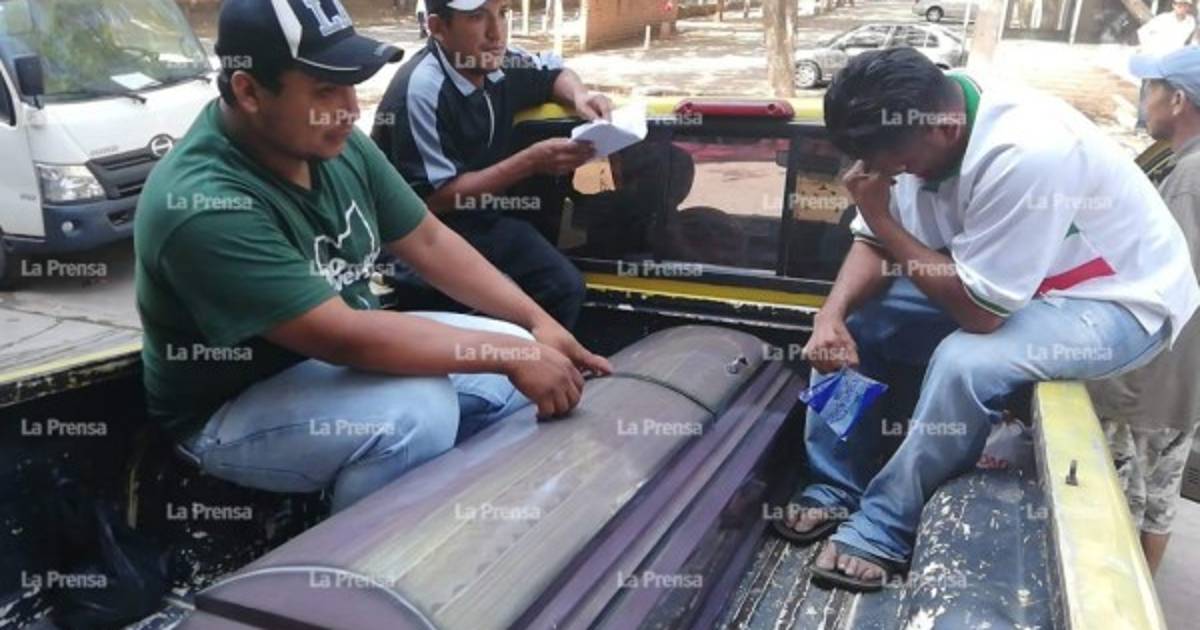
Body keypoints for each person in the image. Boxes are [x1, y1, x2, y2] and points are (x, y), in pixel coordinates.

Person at [134, 0, 610, 514]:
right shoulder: (204, 203)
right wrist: (509, 355)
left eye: (351, 85)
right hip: (231, 408)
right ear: (249, 91)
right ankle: (353, 557)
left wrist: (536, 324)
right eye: (325, 90)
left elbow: (428, 240)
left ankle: (456, 512)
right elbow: (342, 336)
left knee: (519, 350)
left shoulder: (332, 144)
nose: (351, 110)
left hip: (332, 364)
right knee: (416, 415)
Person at [771, 48, 1200, 591]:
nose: (893, 177)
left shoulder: (1028, 151)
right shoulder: (911, 128)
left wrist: (880, 214)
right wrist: (830, 315)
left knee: (966, 362)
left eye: (902, 167)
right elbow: (874, 243)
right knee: (853, 326)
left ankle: (885, 524)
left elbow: (980, 316)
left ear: (947, 129)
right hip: (1007, 283)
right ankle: (834, 485)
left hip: (1119, 299)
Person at [371, 0, 612, 330]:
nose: (496, 33)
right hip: (416, 235)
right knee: (487, 303)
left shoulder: (500, 63)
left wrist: (580, 97)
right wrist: (530, 163)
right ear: (438, 27)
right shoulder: (421, 90)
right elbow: (435, 198)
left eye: (502, 12)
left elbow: (555, 73)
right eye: (476, 17)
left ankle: (534, 354)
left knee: (562, 286)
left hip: (481, 221)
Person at [1088, 46, 1200, 576]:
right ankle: (1144, 604)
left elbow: (1166, 282)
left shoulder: (1188, 177)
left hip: (1147, 382)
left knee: (1116, 510)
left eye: (1150, 88)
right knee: (1158, 500)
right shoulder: (1181, 164)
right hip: (1181, 382)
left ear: (1177, 100)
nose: (1143, 100)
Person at [1135, 1, 1196, 128]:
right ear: (1174, 5)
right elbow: (1143, 32)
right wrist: (1148, 49)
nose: (1182, 8)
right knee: (1148, 91)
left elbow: (1189, 41)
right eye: (1179, 5)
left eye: (1185, 5)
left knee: (1166, 94)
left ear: (1189, 7)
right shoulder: (1163, 19)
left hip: (1172, 63)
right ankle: (1141, 123)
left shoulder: (1190, 22)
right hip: (1155, 60)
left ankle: (1159, 123)